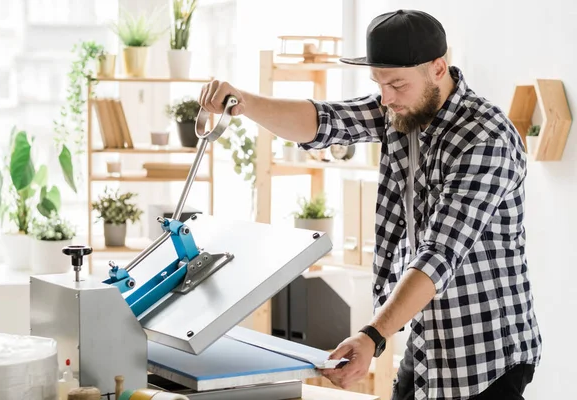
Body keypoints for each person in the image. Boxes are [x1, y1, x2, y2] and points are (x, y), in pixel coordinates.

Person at [198, 9, 542, 400]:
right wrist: (244, 103)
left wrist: (372, 336)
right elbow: (324, 121)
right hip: (428, 340)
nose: (385, 97)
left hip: (484, 353)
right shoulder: (401, 109)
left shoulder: (485, 139)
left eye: (396, 84)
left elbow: (439, 254)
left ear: (438, 68)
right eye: (378, 83)